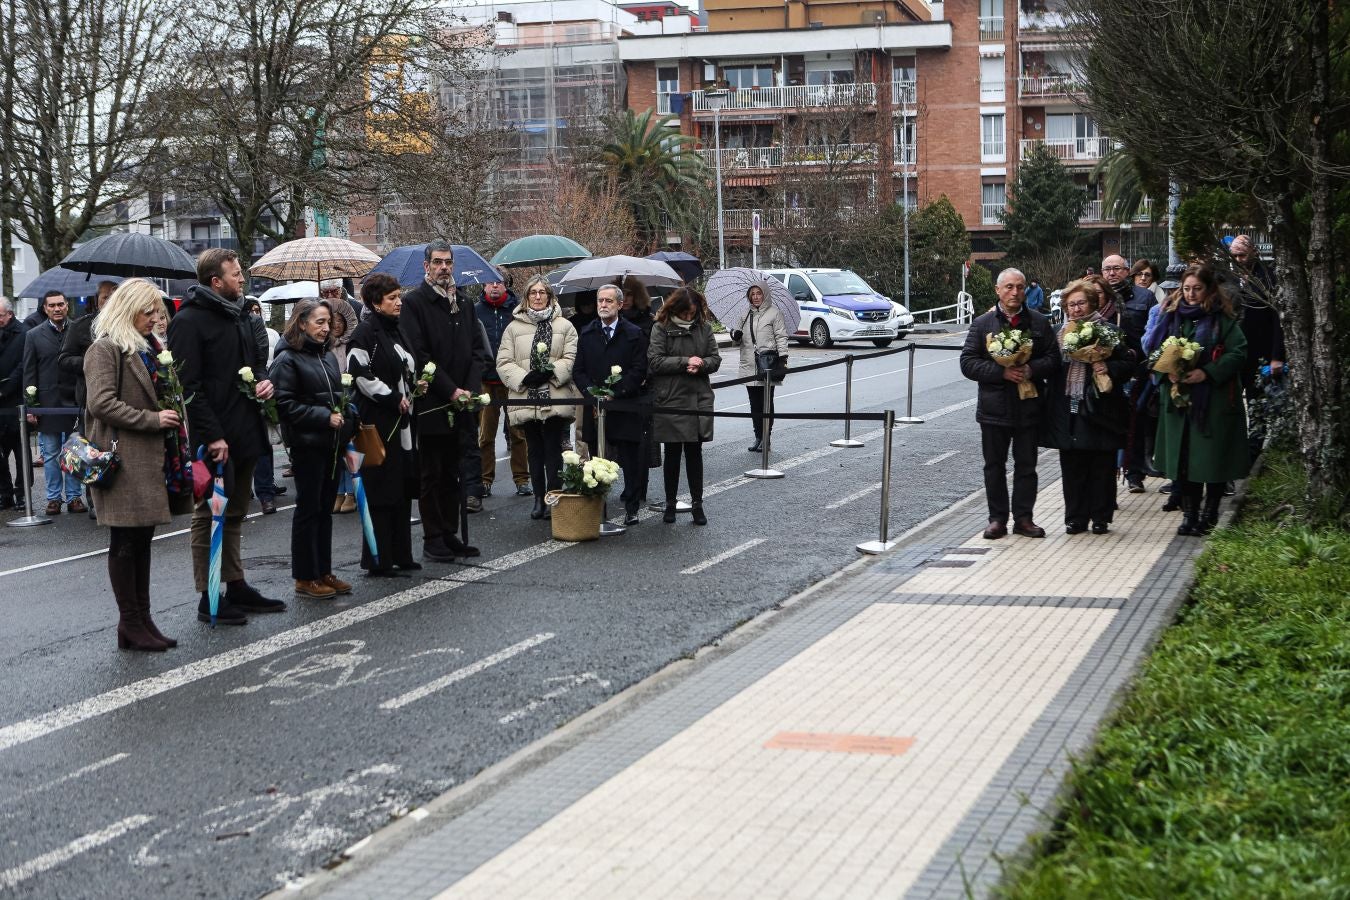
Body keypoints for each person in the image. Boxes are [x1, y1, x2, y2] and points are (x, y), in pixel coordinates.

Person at [169, 248, 287, 625]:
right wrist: (213, 435)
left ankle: (235, 584)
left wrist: (264, 381)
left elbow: (252, 365)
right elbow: (189, 387)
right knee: (209, 514)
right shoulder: (188, 322)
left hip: (246, 428)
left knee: (235, 513)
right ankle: (209, 596)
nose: (242, 280)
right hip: (215, 437)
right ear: (215, 281)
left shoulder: (237, 315)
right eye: (236, 275)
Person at [83, 279, 192, 651]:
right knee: (125, 541)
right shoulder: (105, 348)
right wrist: (152, 419)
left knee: (142, 539)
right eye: (148, 312)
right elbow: (101, 403)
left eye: (157, 312)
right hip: (123, 458)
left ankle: (141, 619)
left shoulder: (149, 348)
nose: (155, 319)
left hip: (150, 458)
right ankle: (131, 622)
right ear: (127, 309)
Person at [1147, 264, 1249, 536]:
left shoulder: (1220, 318)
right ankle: (1189, 515)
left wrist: (1207, 372)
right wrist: (1166, 370)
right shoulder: (1171, 315)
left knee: (1212, 460)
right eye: (1187, 288)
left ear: (1209, 289)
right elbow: (1153, 348)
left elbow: (1238, 353)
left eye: (1197, 289)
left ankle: (1210, 513)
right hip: (1178, 400)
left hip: (1212, 402)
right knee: (1184, 459)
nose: (1191, 294)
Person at [399, 240, 483, 560]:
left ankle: (450, 532)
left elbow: (477, 350)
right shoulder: (415, 303)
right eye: (437, 262)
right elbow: (419, 356)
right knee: (431, 473)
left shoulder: (463, 301)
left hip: (461, 402)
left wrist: (470, 389)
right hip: (433, 402)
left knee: (453, 471)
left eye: (448, 262)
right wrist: (450, 390)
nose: (444, 268)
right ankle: (433, 536)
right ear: (426, 266)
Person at [959, 267, 1058, 539]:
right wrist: (1001, 372)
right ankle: (997, 519)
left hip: (1029, 407)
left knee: (1027, 466)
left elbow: (1053, 359)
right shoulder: (982, 324)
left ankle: (1024, 518)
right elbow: (967, 363)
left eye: (1020, 287)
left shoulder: (1039, 322)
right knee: (994, 466)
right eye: (1009, 287)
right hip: (994, 409)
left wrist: (1031, 370)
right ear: (998, 290)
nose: (1015, 292)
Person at [270, 299, 354, 599]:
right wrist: (323, 417)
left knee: (324, 510)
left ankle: (323, 570)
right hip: (307, 444)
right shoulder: (287, 359)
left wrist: (347, 416)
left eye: (327, 322)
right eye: (319, 322)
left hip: (330, 443)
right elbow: (284, 405)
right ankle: (305, 577)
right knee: (308, 510)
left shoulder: (327, 356)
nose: (325, 327)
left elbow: (338, 395)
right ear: (301, 323)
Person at [1039, 279, 1134, 534]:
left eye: (1081, 303)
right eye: (1071, 304)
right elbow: (1049, 366)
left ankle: (1101, 517)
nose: (1076, 309)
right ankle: (1075, 517)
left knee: (1101, 464)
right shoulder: (1058, 332)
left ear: (1092, 303)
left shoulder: (1108, 331)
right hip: (1067, 407)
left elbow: (1129, 363)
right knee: (1072, 466)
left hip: (1100, 407)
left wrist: (1108, 368)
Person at [346, 274, 421, 577]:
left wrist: (416, 387)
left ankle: (402, 553)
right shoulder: (364, 333)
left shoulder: (398, 330)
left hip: (404, 422)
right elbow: (359, 373)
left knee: (401, 488)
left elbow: (407, 367)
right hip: (380, 422)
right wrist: (392, 398)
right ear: (375, 303)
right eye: (392, 298)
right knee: (381, 490)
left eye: (399, 296)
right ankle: (379, 558)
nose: (399, 302)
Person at [496, 275, 581, 521]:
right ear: (526, 297)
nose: (537, 296)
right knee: (534, 449)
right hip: (526, 396)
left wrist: (551, 372)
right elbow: (504, 361)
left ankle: (553, 496)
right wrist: (525, 378)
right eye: (533, 292)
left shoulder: (565, 326)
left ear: (550, 296)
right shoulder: (513, 327)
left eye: (542, 292)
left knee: (554, 448)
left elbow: (570, 357)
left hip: (555, 394)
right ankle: (537, 498)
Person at [573, 283, 649, 526]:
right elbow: (579, 370)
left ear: (619, 304)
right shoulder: (587, 333)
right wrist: (592, 392)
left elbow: (639, 370)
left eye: (608, 301)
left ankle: (632, 506)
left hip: (625, 404)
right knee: (596, 459)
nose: (603, 305)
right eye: (600, 301)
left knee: (630, 458)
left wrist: (616, 392)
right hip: (595, 406)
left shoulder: (634, 333)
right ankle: (599, 506)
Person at [648, 286, 720, 526]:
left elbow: (715, 359)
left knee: (694, 453)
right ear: (675, 308)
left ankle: (698, 504)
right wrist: (685, 361)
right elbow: (655, 361)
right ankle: (670, 503)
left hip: (698, 396)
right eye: (686, 313)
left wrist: (702, 364)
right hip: (671, 397)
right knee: (672, 454)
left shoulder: (705, 328)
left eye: (693, 312)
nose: (690, 317)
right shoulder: (661, 328)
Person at [59, 280, 118, 518]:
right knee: (93, 450)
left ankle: (117, 497)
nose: (109, 301)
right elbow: (63, 359)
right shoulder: (82, 326)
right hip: (90, 399)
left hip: (122, 398)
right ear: (96, 300)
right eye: (105, 297)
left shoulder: (127, 325)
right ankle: (94, 501)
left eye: (114, 296)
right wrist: (90, 361)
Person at [1101, 254, 1159, 492]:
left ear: (1127, 271)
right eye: (1107, 269)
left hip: (1137, 370)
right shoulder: (1098, 296)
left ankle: (1134, 473)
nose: (1112, 273)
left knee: (1136, 422)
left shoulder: (1144, 297)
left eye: (1117, 268)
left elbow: (1154, 333)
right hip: (1105, 371)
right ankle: (1108, 476)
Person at [22, 290, 83, 515]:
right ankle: (54, 499)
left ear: (67, 306)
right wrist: (31, 406)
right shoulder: (33, 335)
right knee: (50, 454)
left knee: (75, 453)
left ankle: (75, 497)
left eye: (60, 304)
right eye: (52, 305)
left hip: (74, 401)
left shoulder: (78, 330)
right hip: (47, 403)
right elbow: (29, 372)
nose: (57, 309)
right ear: (45, 309)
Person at [1228, 234, 1285, 465]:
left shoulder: (1268, 278)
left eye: (1242, 254)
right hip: (1236, 353)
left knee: (1258, 405)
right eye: (1235, 256)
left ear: (1254, 252)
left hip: (1260, 353)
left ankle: (1253, 453)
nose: (1239, 260)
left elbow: (1277, 320)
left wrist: (1276, 357)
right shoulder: (1230, 278)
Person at [475, 280, 531, 499]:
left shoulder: (517, 310)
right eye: (490, 283)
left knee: (518, 433)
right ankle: (485, 480)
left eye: (498, 282)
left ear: (505, 286)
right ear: (484, 287)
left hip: (512, 381)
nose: (494, 287)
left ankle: (522, 479)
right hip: (485, 381)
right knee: (486, 435)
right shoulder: (476, 311)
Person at [729, 281, 788, 453]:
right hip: (748, 364)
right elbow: (735, 337)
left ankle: (766, 438)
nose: (755, 297)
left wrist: (783, 359)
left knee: (766, 403)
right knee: (754, 404)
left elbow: (781, 337)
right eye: (752, 294)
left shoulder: (774, 313)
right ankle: (758, 436)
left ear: (765, 294)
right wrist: (735, 335)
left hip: (767, 365)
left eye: (758, 293)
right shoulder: (745, 313)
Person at [244, 298, 286, 515]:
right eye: (252, 310)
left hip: (259, 386)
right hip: (238, 392)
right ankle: (246, 491)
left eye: (257, 310)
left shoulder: (259, 327)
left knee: (263, 443)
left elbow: (263, 357)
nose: (255, 312)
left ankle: (265, 493)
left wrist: (263, 380)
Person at [326, 309, 357, 516]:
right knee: (334, 448)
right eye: (332, 321)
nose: (336, 325)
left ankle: (351, 492)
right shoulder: (324, 347)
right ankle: (338, 491)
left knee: (348, 446)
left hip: (348, 396)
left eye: (340, 321)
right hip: (330, 398)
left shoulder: (350, 344)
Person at [0, 298, 28, 510]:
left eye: (0, 316)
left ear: (10, 314)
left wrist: (4, 389)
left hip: (16, 401)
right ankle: (5, 493)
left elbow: (23, 366)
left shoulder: (24, 333)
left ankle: (23, 494)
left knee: (21, 454)